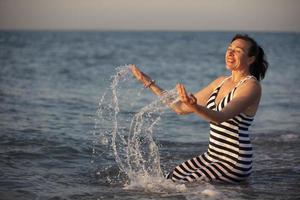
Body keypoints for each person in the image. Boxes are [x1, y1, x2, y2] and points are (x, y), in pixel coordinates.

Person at [129, 34, 268, 183]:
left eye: (238, 50)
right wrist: (150, 83)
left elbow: (221, 117)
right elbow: (180, 108)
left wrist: (195, 106)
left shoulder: (251, 86)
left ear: (250, 59)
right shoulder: (220, 82)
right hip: (211, 156)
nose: (230, 53)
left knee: (183, 186)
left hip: (234, 161)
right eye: (229, 48)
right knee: (168, 180)